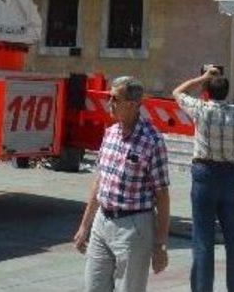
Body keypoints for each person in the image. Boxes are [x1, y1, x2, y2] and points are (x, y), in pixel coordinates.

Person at [73, 75, 170, 291]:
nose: (110, 103)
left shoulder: (152, 140)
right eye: (109, 97)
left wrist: (160, 244)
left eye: (115, 99)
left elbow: (162, 194)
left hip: (133, 227)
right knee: (94, 287)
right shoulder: (110, 134)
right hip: (102, 221)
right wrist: (84, 225)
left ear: (134, 104)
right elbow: (100, 181)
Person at [172, 67, 234, 292]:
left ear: (207, 91)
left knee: (203, 241)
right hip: (231, 177)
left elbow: (177, 92)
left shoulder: (201, 110)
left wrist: (202, 77)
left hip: (205, 175)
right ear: (227, 92)